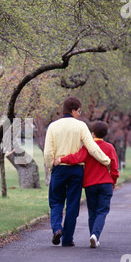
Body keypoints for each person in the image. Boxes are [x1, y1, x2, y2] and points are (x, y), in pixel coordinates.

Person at [44, 97, 110, 247]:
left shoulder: (53, 126)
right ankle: (67, 239)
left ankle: (56, 229)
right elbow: (92, 148)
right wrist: (106, 161)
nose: (80, 114)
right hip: (76, 170)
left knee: (56, 201)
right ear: (73, 110)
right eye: (79, 111)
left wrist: (51, 167)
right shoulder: (81, 126)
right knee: (73, 204)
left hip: (59, 168)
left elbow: (48, 152)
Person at [55, 120, 119, 248]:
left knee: (92, 212)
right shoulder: (110, 147)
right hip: (105, 184)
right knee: (102, 211)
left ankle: (93, 235)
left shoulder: (88, 148)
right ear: (105, 133)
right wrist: (113, 181)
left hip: (91, 185)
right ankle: (95, 235)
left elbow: (76, 158)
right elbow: (114, 168)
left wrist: (61, 159)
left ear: (92, 133)